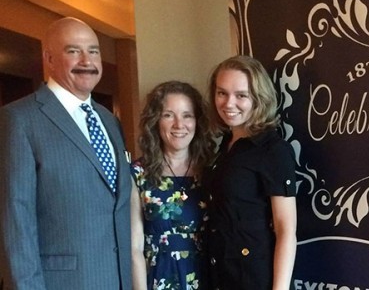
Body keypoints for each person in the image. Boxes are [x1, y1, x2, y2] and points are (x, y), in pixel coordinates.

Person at [0, 17, 132, 289]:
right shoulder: (19, 119)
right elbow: (15, 222)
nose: (87, 60)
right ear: (48, 59)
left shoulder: (110, 121)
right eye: (73, 51)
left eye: (93, 51)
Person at [204, 55, 298, 290]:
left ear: (258, 98)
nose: (228, 103)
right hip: (220, 272)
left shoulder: (273, 150)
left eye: (241, 95)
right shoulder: (225, 143)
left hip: (255, 277)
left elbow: (286, 229)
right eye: (222, 93)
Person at [130, 81, 215, 290]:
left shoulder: (214, 170)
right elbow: (135, 247)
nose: (179, 124)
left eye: (187, 115)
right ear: (155, 121)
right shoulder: (138, 173)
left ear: (197, 122)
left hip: (206, 277)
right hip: (157, 277)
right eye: (168, 115)